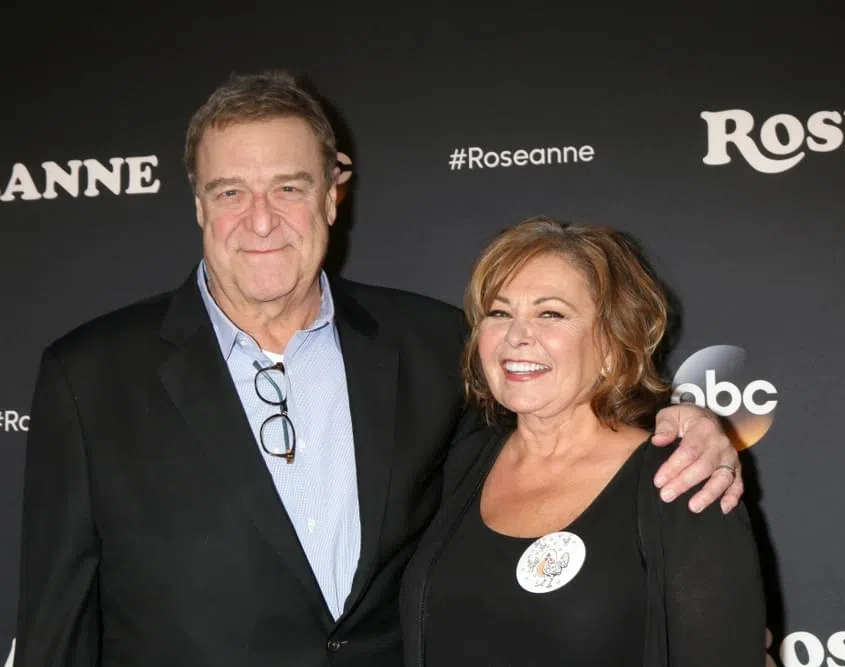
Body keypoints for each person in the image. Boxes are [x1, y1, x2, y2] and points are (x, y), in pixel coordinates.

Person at [15, 71, 743, 667]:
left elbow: (555, 430)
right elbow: (56, 626)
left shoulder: (432, 343)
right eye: (230, 191)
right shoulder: (90, 378)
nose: (261, 220)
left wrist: (682, 424)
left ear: (333, 193)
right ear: (199, 203)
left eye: (289, 187)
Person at [400, 219, 765, 666]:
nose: (516, 336)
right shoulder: (459, 460)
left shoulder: (682, 477)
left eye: (550, 314)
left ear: (612, 343)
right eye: (499, 313)